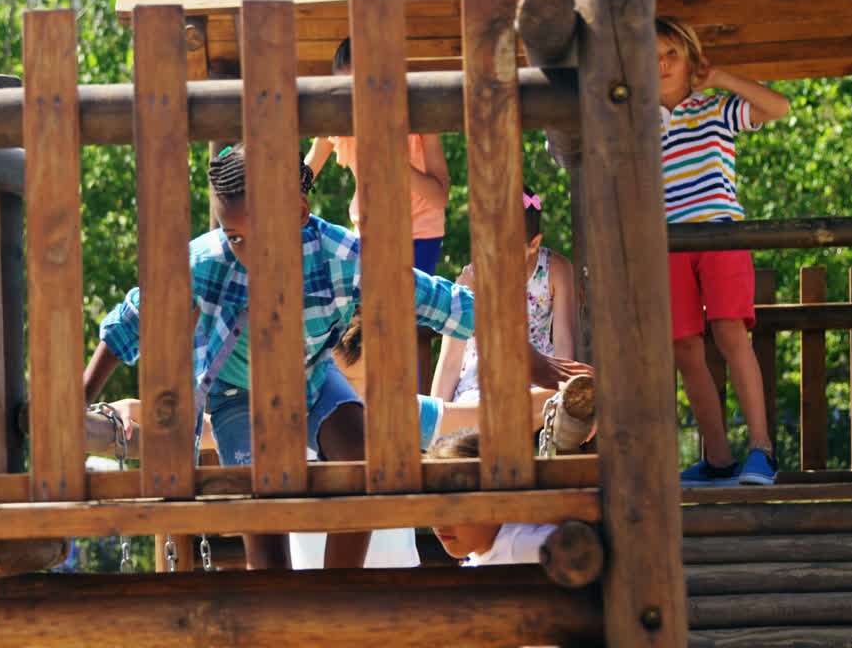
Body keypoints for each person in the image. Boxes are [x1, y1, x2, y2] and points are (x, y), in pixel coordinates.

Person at [84, 145, 587, 571]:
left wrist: (535, 364)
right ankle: (278, 599)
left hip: (311, 380)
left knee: (364, 459)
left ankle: (335, 589)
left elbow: (442, 301)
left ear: (300, 214)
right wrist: (79, 401)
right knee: (264, 498)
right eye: (234, 237)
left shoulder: (339, 255)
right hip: (241, 397)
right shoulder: (207, 262)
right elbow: (131, 321)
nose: (246, 252)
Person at [657, 16, 790, 486]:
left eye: (672, 53)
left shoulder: (713, 107)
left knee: (731, 333)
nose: (662, 64)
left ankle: (762, 452)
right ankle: (717, 459)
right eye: (651, 56)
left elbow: (778, 107)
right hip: (667, 240)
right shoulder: (634, 121)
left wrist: (720, 79)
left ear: (691, 58)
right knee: (684, 347)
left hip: (718, 232)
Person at [305, 37, 451, 392]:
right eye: (346, 89)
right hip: (369, 234)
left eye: (363, 88)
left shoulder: (418, 118)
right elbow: (307, 169)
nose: (357, 101)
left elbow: (441, 195)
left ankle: (407, 418)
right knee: (361, 327)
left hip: (419, 233)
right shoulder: (340, 122)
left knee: (401, 323)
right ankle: (359, 411)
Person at [429, 187, 579, 432]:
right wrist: (436, 423)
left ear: (534, 244)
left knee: (544, 403)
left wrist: (564, 390)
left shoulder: (556, 271)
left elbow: (563, 341)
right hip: (481, 379)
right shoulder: (473, 279)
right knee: (472, 415)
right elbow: (450, 362)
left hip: (536, 375)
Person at [427, 428, 557, 566]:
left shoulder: (523, 547)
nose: (438, 522)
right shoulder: (483, 553)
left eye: (454, 504)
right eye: (431, 504)